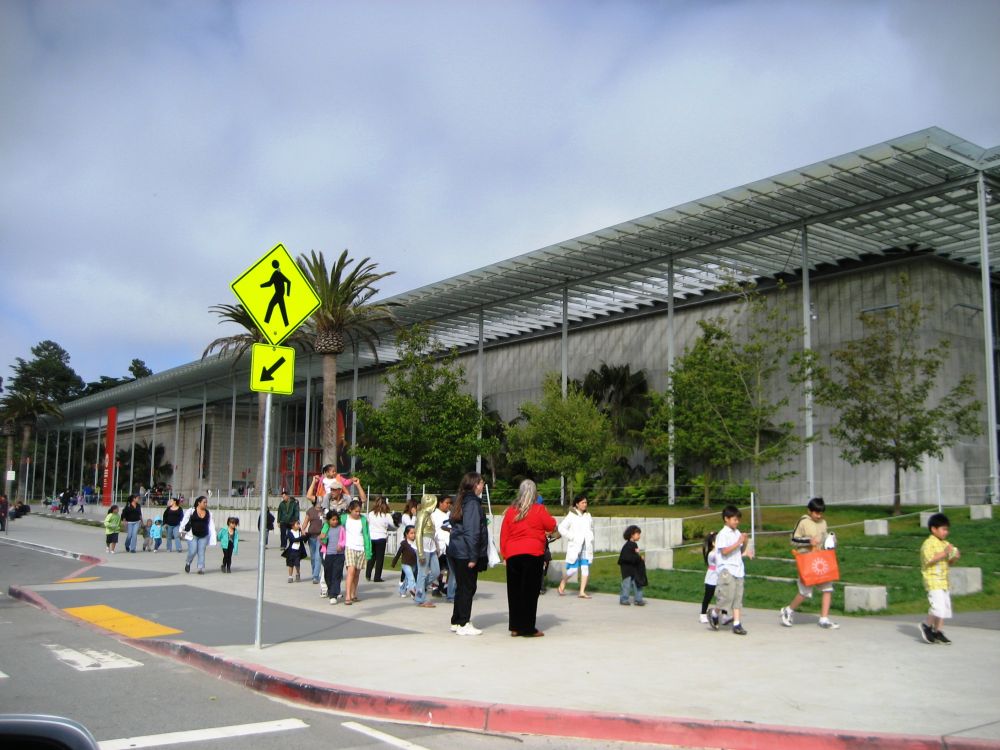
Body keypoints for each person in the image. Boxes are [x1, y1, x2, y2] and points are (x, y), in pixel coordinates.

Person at [500, 479, 556, 637]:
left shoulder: (511, 511)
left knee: (514, 591)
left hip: (513, 553)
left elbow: (504, 534)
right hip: (532, 553)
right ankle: (527, 627)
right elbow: (551, 525)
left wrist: (505, 554)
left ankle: (515, 626)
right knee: (530, 592)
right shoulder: (539, 509)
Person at [780, 497, 840, 630]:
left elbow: (824, 538)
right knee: (805, 592)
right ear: (809, 511)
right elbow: (793, 539)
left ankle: (824, 619)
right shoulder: (803, 521)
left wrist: (831, 541)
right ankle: (788, 610)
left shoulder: (823, 523)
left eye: (821, 513)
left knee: (827, 588)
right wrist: (808, 541)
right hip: (806, 560)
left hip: (820, 560)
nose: (819, 516)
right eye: (816, 513)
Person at [448, 472, 488, 635]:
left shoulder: (461, 499)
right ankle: (463, 622)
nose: (483, 486)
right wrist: (473, 556)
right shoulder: (472, 503)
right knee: (468, 588)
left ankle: (456, 620)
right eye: (481, 483)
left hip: (457, 549)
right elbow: (472, 531)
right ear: (475, 485)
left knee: (461, 587)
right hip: (465, 552)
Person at [708, 505, 753, 635]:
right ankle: (714, 612)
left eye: (738, 519)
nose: (737, 522)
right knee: (726, 597)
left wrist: (745, 541)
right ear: (726, 519)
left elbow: (740, 549)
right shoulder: (723, 534)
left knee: (737, 598)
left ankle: (737, 623)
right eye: (734, 519)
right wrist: (738, 542)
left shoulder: (737, 533)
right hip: (726, 569)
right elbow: (725, 551)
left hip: (738, 569)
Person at [920, 513, 960, 645]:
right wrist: (945, 552)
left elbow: (949, 562)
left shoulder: (945, 544)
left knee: (945, 609)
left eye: (947, 529)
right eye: (943, 529)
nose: (946, 532)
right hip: (933, 580)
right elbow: (929, 559)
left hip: (944, 581)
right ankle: (926, 625)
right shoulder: (928, 544)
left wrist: (954, 557)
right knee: (938, 607)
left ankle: (937, 631)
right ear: (933, 529)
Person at [557, 495, 595, 598]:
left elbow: (591, 528)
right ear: (577, 504)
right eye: (583, 503)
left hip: (586, 546)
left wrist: (590, 537)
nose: (585, 504)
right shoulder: (571, 515)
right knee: (573, 570)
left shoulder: (588, 515)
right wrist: (572, 536)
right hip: (575, 546)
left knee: (585, 568)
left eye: (586, 502)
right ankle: (563, 582)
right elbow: (561, 528)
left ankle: (582, 592)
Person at [341, 500, 371, 604]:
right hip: (349, 547)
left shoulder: (363, 520)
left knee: (357, 573)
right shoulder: (344, 518)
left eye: (359, 511)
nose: (358, 513)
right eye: (356, 511)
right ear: (350, 510)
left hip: (361, 548)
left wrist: (368, 551)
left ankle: (353, 593)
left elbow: (367, 535)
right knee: (351, 571)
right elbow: (331, 524)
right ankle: (348, 596)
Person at [414, 494, 441, 608]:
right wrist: (420, 553)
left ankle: (418, 588)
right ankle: (420, 599)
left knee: (436, 571)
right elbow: (418, 533)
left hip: (431, 547)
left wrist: (436, 547)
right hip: (423, 547)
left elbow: (433, 534)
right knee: (422, 573)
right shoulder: (422, 514)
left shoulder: (430, 516)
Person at [182, 495, 216, 574]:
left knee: (201, 552)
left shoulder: (208, 513)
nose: (206, 504)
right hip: (193, 535)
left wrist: (213, 534)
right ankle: (188, 562)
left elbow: (211, 525)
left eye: (206, 502)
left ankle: (200, 568)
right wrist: (181, 530)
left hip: (204, 535)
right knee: (193, 551)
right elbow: (185, 520)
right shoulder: (191, 511)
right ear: (199, 503)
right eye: (204, 502)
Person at [366, 496, 396, 582]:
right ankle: (377, 577)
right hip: (381, 537)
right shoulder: (387, 515)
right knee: (380, 558)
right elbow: (393, 525)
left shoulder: (371, 514)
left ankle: (368, 574)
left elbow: (368, 523)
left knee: (372, 556)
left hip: (372, 537)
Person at [431, 495, 454, 600]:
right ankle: (435, 587)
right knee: (437, 568)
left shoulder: (450, 515)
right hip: (438, 545)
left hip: (448, 545)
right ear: (440, 503)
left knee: (447, 569)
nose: (448, 505)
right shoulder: (434, 515)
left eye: (450, 503)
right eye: (446, 503)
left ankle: (444, 585)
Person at [320, 510, 346, 604]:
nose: (335, 521)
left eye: (336, 519)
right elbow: (323, 541)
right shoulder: (326, 529)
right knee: (328, 574)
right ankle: (331, 590)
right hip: (329, 554)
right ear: (328, 520)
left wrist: (341, 545)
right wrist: (322, 539)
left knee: (336, 574)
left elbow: (345, 539)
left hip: (339, 555)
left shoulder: (341, 528)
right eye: (333, 520)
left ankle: (333, 595)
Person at [618, 525, 647, 607]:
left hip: (634, 569)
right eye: (638, 534)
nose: (639, 536)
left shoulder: (634, 544)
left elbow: (634, 556)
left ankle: (638, 599)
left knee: (637, 584)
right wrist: (639, 558)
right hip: (627, 570)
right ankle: (624, 599)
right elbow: (627, 557)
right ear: (632, 535)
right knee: (626, 584)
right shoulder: (628, 546)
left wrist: (639, 559)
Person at [302, 497, 325, 584]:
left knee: (318, 557)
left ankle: (315, 576)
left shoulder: (324, 510)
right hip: (311, 537)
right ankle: (314, 573)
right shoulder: (310, 511)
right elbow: (306, 521)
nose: (320, 502)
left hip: (320, 537)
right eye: (318, 500)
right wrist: (303, 530)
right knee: (312, 557)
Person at [391, 525, 418, 599]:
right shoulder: (404, 544)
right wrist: (394, 563)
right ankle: (413, 591)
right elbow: (398, 554)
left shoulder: (417, 543)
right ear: (406, 534)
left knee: (407, 578)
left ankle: (402, 590)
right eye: (411, 533)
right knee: (411, 578)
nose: (413, 535)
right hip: (405, 564)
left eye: (414, 533)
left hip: (414, 564)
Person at [700, 531, 719, 624]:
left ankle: (724, 614)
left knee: (722, 597)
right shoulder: (712, 554)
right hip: (711, 578)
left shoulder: (719, 552)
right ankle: (703, 614)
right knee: (708, 596)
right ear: (713, 543)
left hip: (719, 577)